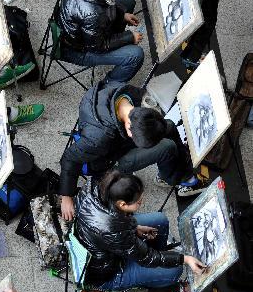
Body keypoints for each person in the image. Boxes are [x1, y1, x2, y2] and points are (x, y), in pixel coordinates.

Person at [58, 81, 207, 222]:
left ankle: (183, 170)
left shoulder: (127, 94)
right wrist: (66, 196)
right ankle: (170, 178)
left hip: (115, 141)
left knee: (169, 126)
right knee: (167, 147)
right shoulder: (99, 138)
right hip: (107, 164)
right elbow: (69, 158)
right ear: (129, 128)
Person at [73, 171, 206, 292]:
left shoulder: (97, 189)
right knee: (175, 269)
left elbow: (112, 221)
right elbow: (146, 257)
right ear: (122, 204)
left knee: (159, 220)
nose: (141, 202)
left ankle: (158, 259)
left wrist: (134, 228)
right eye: (138, 202)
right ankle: (157, 290)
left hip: (105, 247)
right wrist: (186, 259)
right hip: (107, 273)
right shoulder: (114, 229)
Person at [55, 0, 146, 84]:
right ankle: (108, 85)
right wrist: (129, 37)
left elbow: (105, 3)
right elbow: (98, 46)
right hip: (77, 49)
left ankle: (116, 38)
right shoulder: (93, 14)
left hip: (82, 30)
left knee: (127, 1)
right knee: (136, 55)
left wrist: (122, 15)